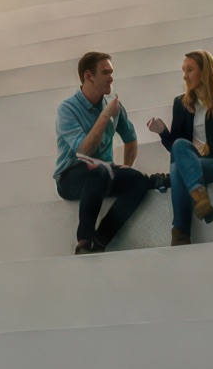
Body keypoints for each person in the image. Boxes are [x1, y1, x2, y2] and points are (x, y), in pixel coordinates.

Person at [55, 51, 160, 254]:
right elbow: (83, 151)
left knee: (139, 180)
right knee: (98, 169)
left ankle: (102, 239)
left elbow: (130, 139)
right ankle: (84, 241)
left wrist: (126, 168)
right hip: (70, 177)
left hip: (102, 174)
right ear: (88, 76)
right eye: (105, 72)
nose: (111, 77)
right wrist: (104, 116)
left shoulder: (113, 106)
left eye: (112, 72)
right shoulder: (67, 109)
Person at [146, 50, 213, 245]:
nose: (185, 75)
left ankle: (180, 232)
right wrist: (163, 132)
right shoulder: (181, 104)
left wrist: (206, 149)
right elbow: (177, 150)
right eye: (184, 70)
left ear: (205, 71)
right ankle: (200, 197)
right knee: (178, 155)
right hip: (189, 165)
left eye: (190, 69)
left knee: (177, 169)